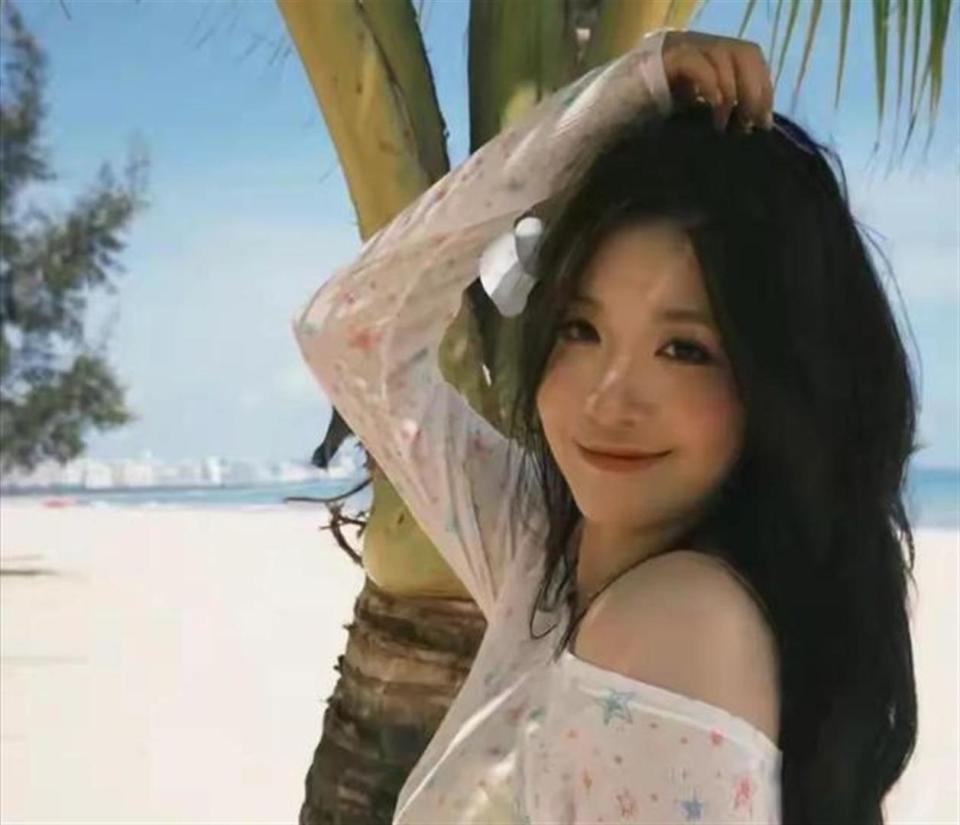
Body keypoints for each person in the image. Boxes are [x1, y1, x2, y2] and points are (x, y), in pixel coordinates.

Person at [293, 26, 918, 825]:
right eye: (580, 329)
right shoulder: (542, 556)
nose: (608, 398)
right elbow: (350, 333)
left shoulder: (675, 627)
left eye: (684, 349)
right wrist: (609, 108)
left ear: (776, 381)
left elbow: (349, 334)